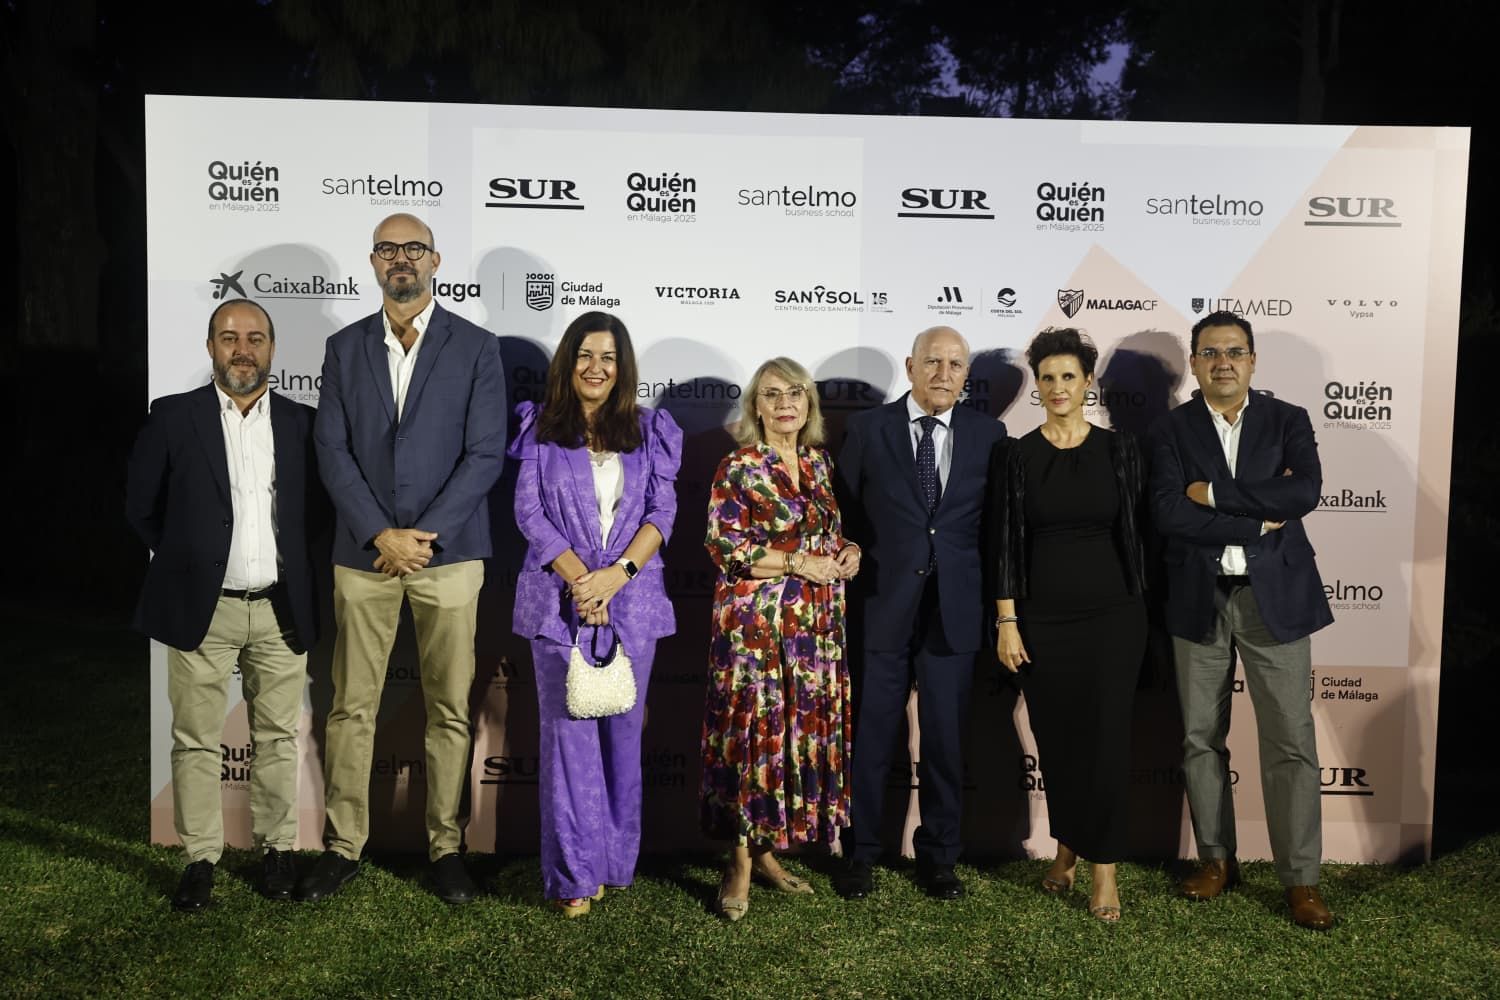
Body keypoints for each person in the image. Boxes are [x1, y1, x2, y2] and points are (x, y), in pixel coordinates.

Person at [299, 214, 507, 905]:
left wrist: (422, 537)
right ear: (373, 262)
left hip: (449, 558)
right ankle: (342, 846)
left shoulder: (477, 347)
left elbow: (484, 455)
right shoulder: (342, 347)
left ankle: (445, 849)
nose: (401, 260)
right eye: (388, 249)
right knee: (350, 708)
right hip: (365, 557)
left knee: (450, 708)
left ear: (436, 260)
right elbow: (331, 450)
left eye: (412, 248)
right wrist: (378, 534)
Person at [126, 299, 323, 911]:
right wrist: (188, 561)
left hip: (279, 606)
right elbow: (141, 506)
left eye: (256, 338)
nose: (243, 349)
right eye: (230, 337)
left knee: (277, 737)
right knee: (195, 739)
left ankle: (277, 850)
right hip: (200, 609)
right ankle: (200, 860)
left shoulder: (302, 424)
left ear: (272, 348)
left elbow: (318, 515)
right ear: (211, 346)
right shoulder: (172, 417)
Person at [1149, 310, 1335, 931]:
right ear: (1195, 364)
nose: (1222, 362)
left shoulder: (1290, 420)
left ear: (1252, 361)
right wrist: (1255, 516)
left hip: (1274, 597)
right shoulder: (1172, 429)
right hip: (1196, 598)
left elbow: (1302, 493)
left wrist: (1217, 493)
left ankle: (1301, 879)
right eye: (1210, 353)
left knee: (1290, 740)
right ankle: (1215, 861)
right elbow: (1170, 512)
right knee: (1200, 737)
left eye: (1234, 351)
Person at [510, 311, 681, 917]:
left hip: (632, 606)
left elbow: (662, 514)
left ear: (622, 367)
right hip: (559, 605)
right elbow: (529, 514)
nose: (596, 368)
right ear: (567, 361)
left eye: (608, 358)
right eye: (585, 355)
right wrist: (583, 582)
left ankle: (610, 863)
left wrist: (617, 577)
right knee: (568, 742)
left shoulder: (650, 431)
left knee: (621, 739)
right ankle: (573, 876)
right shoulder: (539, 429)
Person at [833, 326, 1007, 900]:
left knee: (945, 739)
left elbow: (993, 531)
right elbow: (846, 517)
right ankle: (860, 853)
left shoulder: (989, 434)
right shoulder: (867, 429)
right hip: (880, 605)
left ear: (966, 376)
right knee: (873, 734)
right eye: (933, 361)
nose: (943, 374)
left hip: (954, 612)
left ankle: (939, 857)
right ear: (910, 366)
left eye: (956, 365)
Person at [985, 327, 1148, 922]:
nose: (1057, 387)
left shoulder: (1122, 451)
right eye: (1047, 378)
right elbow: (1003, 543)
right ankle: (1066, 848)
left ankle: (1102, 869)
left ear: (1088, 383)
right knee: (1058, 741)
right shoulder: (1015, 455)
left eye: (1068, 377)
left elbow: (1139, 537)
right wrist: (1007, 620)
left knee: (1105, 741)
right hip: (1041, 620)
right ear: (1038, 385)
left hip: (1115, 617)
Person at [701, 357, 860, 922]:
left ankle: (769, 853)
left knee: (791, 739)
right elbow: (726, 549)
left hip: (815, 631)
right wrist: (798, 562)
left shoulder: (819, 463)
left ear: (809, 403)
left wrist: (849, 552)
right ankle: (739, 862)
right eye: (772, 394)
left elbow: (831, 534)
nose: (785, 403)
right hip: (756, 629)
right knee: (754, 740)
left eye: (796, 392)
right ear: (756, 406)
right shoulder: (738, 467)